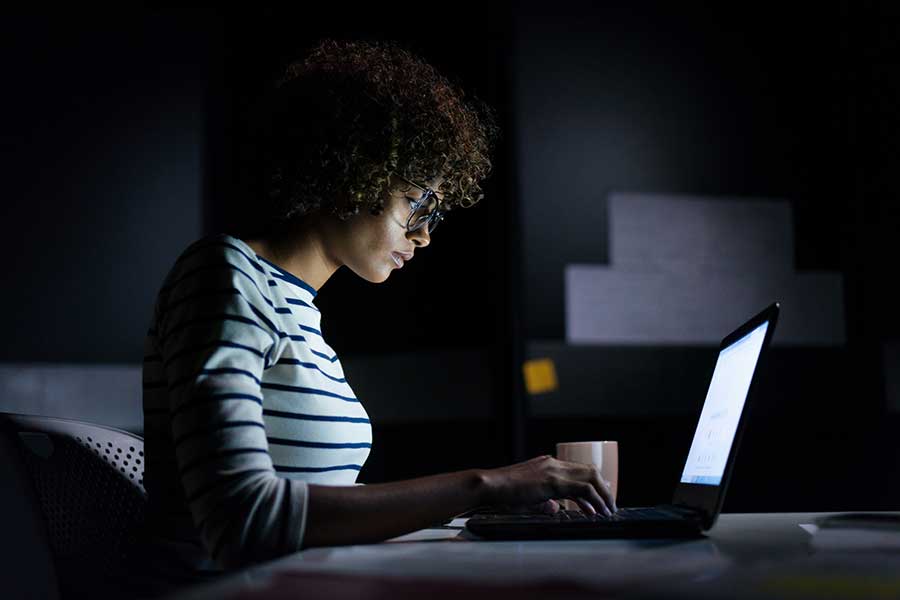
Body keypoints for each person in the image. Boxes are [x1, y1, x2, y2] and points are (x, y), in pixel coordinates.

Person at [131, 38, 616, 597]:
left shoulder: (301, 317)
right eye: (418, 204)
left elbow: (321, 511)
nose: (425, 235)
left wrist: (479, 521)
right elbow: (241, 520)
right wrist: (485, 485)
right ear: (351, 171)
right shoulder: (224, 274)